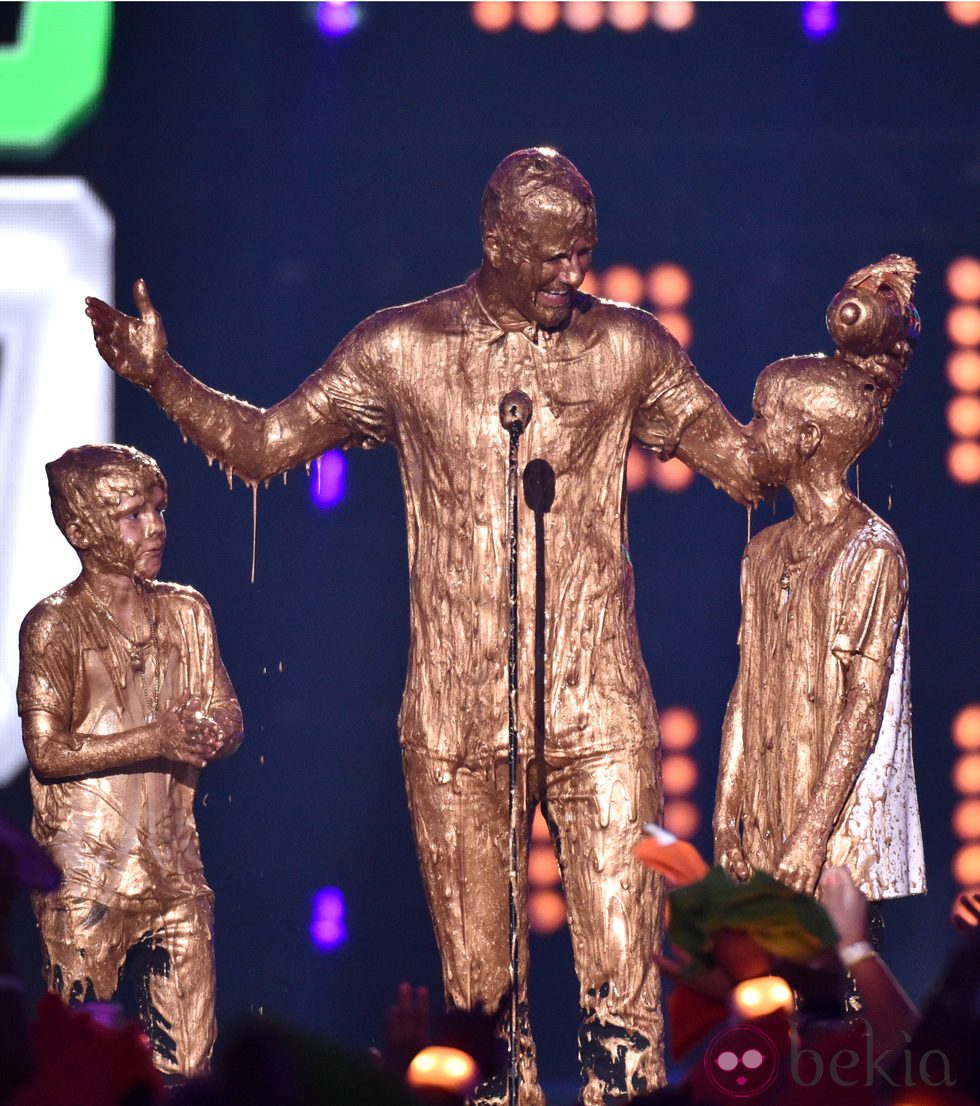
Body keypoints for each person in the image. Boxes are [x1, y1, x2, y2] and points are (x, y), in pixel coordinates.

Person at [85, 148, 758, 1105]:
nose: (575, 274)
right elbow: (267, 442)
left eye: (585, 254)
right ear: (497, 243)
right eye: (553, 256)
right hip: (453, 723)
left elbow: (742, 462)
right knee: (479, 1011)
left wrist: (842, 400)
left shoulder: (630, 346)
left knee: (624, 996)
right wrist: (161, 378)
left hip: (599, 711)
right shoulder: (402, 347)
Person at [17, 444, 243, 1078]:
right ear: (82, 529)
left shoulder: (187, 612)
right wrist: (156, 740)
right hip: (87, 880)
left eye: (159, 509)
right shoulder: (53, 627)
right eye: (134, 515)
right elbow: (47, 751)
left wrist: (211, 732)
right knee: (81, 1064)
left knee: (191, 1065)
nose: (157, 527)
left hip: (174, 871)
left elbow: (230, 714)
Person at [713, 256, 925, 902]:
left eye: (763, 419)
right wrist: (726, 810)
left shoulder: (870, 551)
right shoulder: (765, 552)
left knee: (841, 999)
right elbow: (748, 691)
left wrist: (812, 836)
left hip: (834, 848)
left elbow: (863, 705)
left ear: (807, 437)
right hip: (772, 827)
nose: (751, 434)